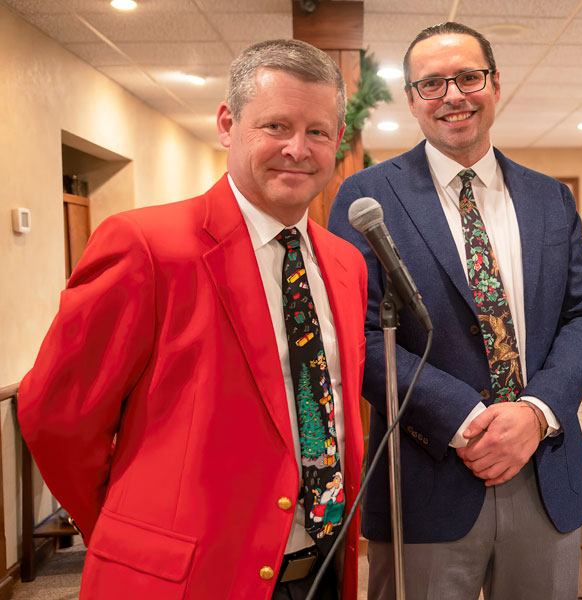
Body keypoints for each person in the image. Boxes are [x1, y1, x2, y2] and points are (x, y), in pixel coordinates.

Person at [17, 39, 367, 600]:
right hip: (185, 580)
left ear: (337, 142)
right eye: (276, 125)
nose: (298, 149)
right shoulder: (146, 246)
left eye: (318, 132)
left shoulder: (346, 264)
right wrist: (129, 530)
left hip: (324, 570)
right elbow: (56, 416)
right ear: (228, 124)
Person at [328, 22, 582, 600]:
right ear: (411, 100)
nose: (452, 95)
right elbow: (356, 334)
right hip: (428, 472)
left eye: (468, 77)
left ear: (495, 85)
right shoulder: (367, 198)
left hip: (543, 466)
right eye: (431, 84)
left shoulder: (551, 197)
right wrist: (465, 418)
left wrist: (534, 412)